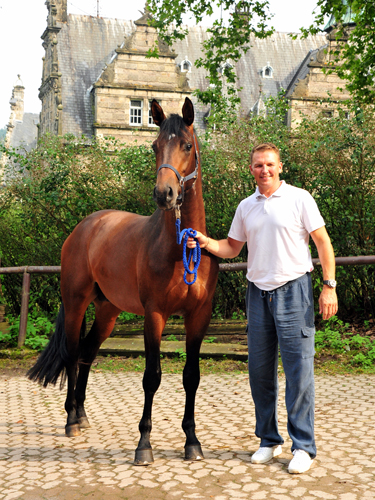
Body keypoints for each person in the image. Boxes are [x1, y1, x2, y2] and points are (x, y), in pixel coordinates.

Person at [188, 142, 338, 474]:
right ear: (251, 169)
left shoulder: (300, 198)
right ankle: (269, 440)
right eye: (258, 165)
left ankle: (303, 447)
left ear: (280, 167)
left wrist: (329, 286)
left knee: (299, 372)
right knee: (259, 373)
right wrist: (203, 241)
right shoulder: (246, 206)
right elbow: (231, 247)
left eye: (269, 164)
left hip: (294, 292)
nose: (264, 170)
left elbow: (323, 242)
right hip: (258, 294)